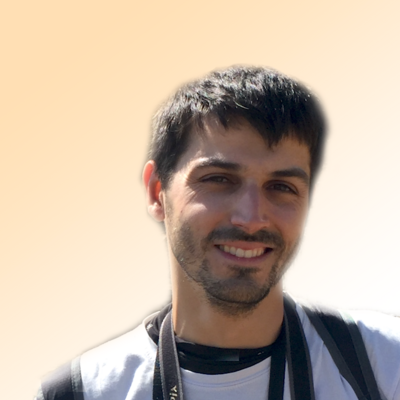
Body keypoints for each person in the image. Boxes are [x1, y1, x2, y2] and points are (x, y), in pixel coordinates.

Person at [36, 66, 400, 400]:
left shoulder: (384, 365)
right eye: (219, 180)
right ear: (157, 192)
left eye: (281, 187)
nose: (252, 218)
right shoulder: (82, 392)